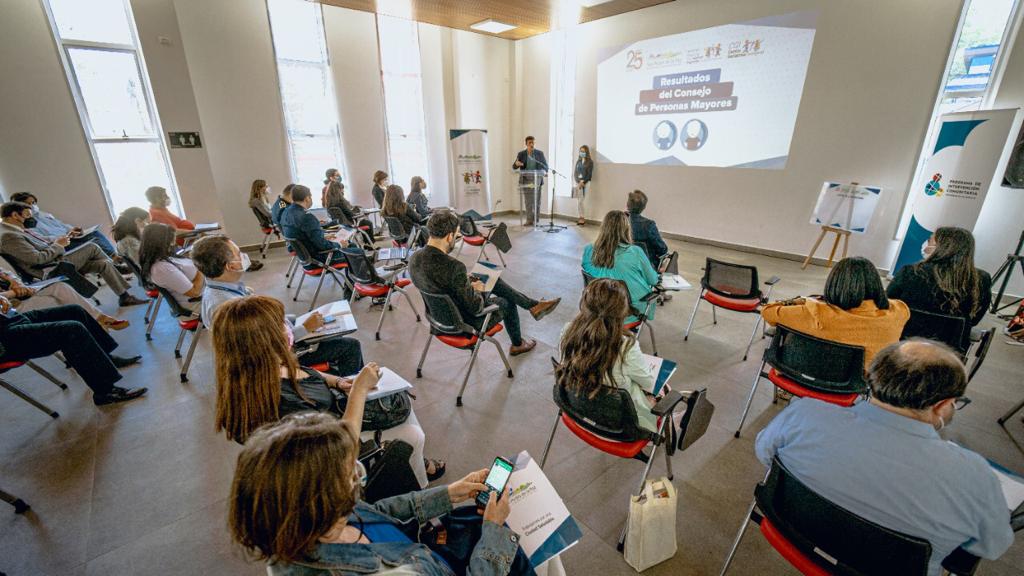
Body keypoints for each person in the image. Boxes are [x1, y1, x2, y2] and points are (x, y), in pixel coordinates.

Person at [755, 340, 1014, 576]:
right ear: (941, 405)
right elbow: (991, 545)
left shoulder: (804, 414)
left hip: (792, 534)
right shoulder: (973, 476)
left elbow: (764, 454)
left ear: (871, 378)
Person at [228, 413, 534, 576]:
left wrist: (449, 493)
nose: (358, 479)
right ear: (321, 501)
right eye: (351, 475)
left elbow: (379, 514)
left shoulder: (305, 526)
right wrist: (493, 535)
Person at [212, 296, 444, 486]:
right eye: (281, 324)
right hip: (336, 447)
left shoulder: (262, 369)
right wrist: (359, 391)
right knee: (413, 435)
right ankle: (418, 488)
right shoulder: (284, 403)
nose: (288, 327)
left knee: (402, 406)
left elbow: (306, 373)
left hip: (331, 415)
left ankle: (417, 464)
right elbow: (342, 444)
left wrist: (337, 381)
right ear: (266, 340)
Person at [192, 234, 362, 375]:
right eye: (238, 254)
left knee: (331, 334)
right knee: (350, 346)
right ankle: (349, 396)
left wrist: (290, 320)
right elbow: (270, 346)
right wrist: (305, 328)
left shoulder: (217, 291)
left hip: (274, 339)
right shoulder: (232, 306)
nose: (243, 256)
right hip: (271, 360)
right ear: (230, 266)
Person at [409, 210, 560, 356]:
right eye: (457, 235)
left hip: (438, 320)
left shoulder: (414, 259)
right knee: (506, 300)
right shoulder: (454, 267)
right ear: (449, 237)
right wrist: (478, 288)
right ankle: (519, 340)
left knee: (489, 275)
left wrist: (466, 283)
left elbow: (440, 282)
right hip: (463, 324)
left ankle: (533, 305)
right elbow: (476, 307)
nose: (456, 239)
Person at [762, 257, 910, 368]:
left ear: (833, 284)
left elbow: (768, 311)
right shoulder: (899, 311)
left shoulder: (813, 313)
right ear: (876, 284)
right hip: (859, 383)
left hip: (800, 374)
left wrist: (802, 300)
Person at [558, 278, 659, 433]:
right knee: (661, 391)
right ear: (622, 311)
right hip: (621, 428)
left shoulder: (568, 331)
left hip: (580, 413)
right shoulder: (626, 346)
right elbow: (649, 383)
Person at [0, 202, 147, 307]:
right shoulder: (9, 236)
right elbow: (37, 259)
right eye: (27, 214)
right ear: (15, 215)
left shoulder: (18, 231)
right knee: (92, 246)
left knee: (103, 263)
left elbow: (43, 241)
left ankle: (124, 297)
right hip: (49, 268)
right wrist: (58, 245)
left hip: (56, 259)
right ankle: (119, 266)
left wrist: (64, 237)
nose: (31, 219)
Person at [0, 301, 145, 405]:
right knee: (71, 330)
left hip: (9, 319)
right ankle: (105, 391)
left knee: (75, 310)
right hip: (4, 342)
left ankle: (105, 358)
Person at [886, 227, 992, 351]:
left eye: (930, 241)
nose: (926, 244)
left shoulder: (910, 272)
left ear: (940, 247)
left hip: (902, 341)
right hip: (950, 349)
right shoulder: (980, 279)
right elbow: (975, 319)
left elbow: (889, 304)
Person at [582, 210, 660, 324]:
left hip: (597, 309)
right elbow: (653, 280)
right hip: (627, 312)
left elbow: (590, 272)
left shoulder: (589, 250)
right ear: (626, 229)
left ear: (603, 227)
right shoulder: (636, 252)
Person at [0, 266, 128, 330]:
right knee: (59, 304)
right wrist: (15, 292)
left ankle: (100, 318)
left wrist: (15, 281)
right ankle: (94, 344)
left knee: (60, 287)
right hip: (9, 312)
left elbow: (7, 273)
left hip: (21, 297)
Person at [9, 192, 118, 258]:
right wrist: (66, 236)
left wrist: (73, 229)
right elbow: (44, 240)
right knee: (93, 238)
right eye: (29, 204)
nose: (33, 206)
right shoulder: (26, 224)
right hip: (62, 245)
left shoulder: (44, 215)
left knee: (95, 233)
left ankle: (115, 258)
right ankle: (116, 260)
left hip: (70, 237)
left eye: (34, 203)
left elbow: (61, 225)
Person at [139, 223, 204, 313]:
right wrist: (201, 266)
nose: (174, 243)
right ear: (162, 242)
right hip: (197, 304)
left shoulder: (161, 257)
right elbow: (195, 292)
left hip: (204, 292)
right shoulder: (161, 268)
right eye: (172, 240)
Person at [279, 185, 344, 257]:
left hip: (303, 256)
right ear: (307, 198)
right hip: (320, 257)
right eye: (311, 197)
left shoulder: (286, 212)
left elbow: (303, 235)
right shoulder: (307, 217)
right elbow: (322, 245)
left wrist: (323, 236)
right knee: (353, 248)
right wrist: (340, 244)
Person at [626, 190, 667, 268]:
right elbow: (662, 249)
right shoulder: (649, 225)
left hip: (624, 262)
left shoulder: (618, 221)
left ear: (627, 205)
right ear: (644, 207)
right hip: (646, 265)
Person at [512, 136, 547, 226]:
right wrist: (516, 164)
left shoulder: (539, 153)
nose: (532, 144)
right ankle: (529, 220)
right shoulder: (521, 154)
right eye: (530, 143)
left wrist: (544, 171)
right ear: (526, 144)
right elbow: (514, 166)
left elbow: (545, 166)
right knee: (528, 201)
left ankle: (536, 220)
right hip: (526, 179)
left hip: (537, 179)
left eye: (533, 142)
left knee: (537, 201)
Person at [573, 145, 594, 226]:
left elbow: (589, 175)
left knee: (582, 201)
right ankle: (580, 217)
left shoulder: (590, 162)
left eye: (583, 151)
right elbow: (575, 173)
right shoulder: (578, 161)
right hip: (578, 183)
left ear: (587, 152)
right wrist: (578, 182)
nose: (582, 153)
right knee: (579, 201)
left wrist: (583, 182)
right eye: (581, 151)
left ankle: (583, 217)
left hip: (586, 183)